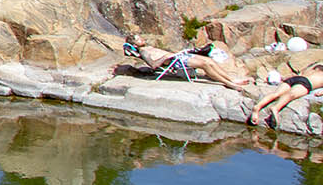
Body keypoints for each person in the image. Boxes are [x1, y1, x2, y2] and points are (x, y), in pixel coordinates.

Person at [120, 34, 253, 91]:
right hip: (174, 62)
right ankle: (229, 84)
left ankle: (231, 78)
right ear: (134, 44)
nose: (141, 39)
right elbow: (155, 64)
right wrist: (169, 57)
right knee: (205, 64)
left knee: (209, 60)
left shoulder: (148, 48)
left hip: (176, 58)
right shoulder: (144, 52)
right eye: (138, 39)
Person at [250, 61, 323, 126]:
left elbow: (300, 72)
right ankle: (276, 108)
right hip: (306, 83)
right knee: (291, 94)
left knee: (276, 94)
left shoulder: (316, 68)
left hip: (296, 78)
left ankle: (257, 107)